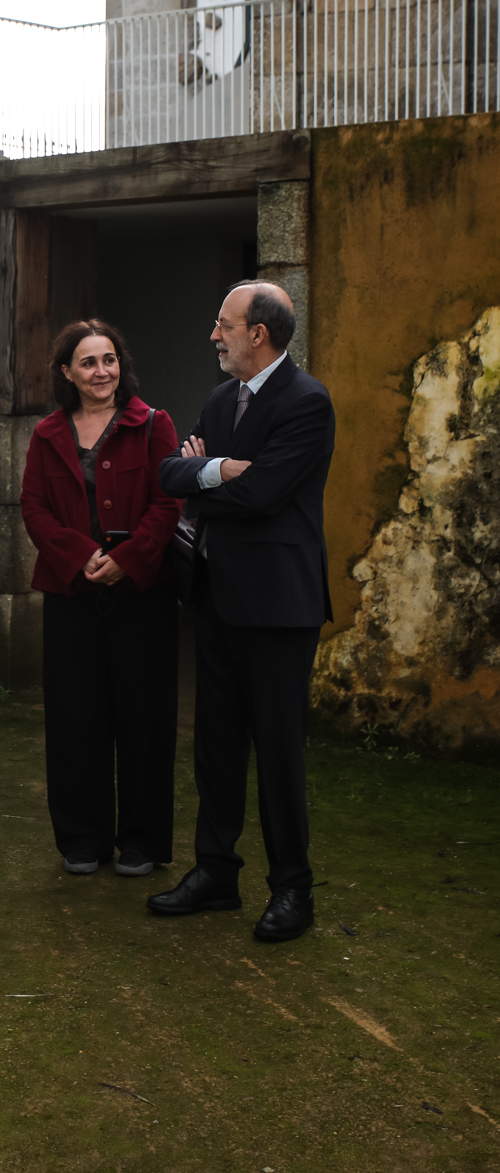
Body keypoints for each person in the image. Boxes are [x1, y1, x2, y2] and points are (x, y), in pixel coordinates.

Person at [151, 280, 335, 943]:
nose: (214, 335)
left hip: (280, 609)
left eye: (223, 324)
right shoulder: (220, 398)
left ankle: (293, 890)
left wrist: (209, 478)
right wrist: (221, 470)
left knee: (279, 754)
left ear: (259, 332)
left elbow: (264, 496)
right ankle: (215, 875)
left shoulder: (307, 402)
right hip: (217, 599)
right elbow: (170, 474)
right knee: (216, 747)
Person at [19, 319, 181, 878]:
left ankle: (142, 840)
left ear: (121, 364)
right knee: (75, 718)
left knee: (143, 717)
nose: (101, 372)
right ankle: (83, 839)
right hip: (72, 591)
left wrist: (129, 559)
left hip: (142, 593)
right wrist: (80, 555)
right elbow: (33, 507)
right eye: (88, 363)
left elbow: (168, 503)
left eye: (109, 359)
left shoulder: (153, 424)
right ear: (68, 372)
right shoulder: (46, 434)